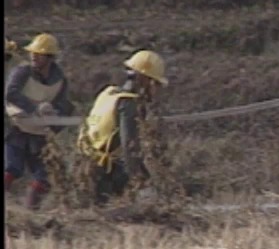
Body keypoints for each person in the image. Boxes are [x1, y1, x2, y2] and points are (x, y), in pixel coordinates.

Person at [77, 50, 169, 206]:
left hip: (88, 163)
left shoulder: (109, 93)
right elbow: (129, 147)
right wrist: (141, 181)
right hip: (104, 171)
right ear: (144, 79)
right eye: (155, 83)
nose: (156, 89)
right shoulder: (128, 104)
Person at [4, 33, 74, 209]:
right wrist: (35, 109)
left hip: (40, 135)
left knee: (44, 177)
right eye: (32, 52)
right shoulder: (22, 72)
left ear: (50, 57)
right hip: (17, 129)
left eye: (39, 53)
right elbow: (11, 93)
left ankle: (30, 215)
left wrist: (54, 114)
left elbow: (65, 106)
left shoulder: (60, 80)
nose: (33, 56)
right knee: (12, 168)